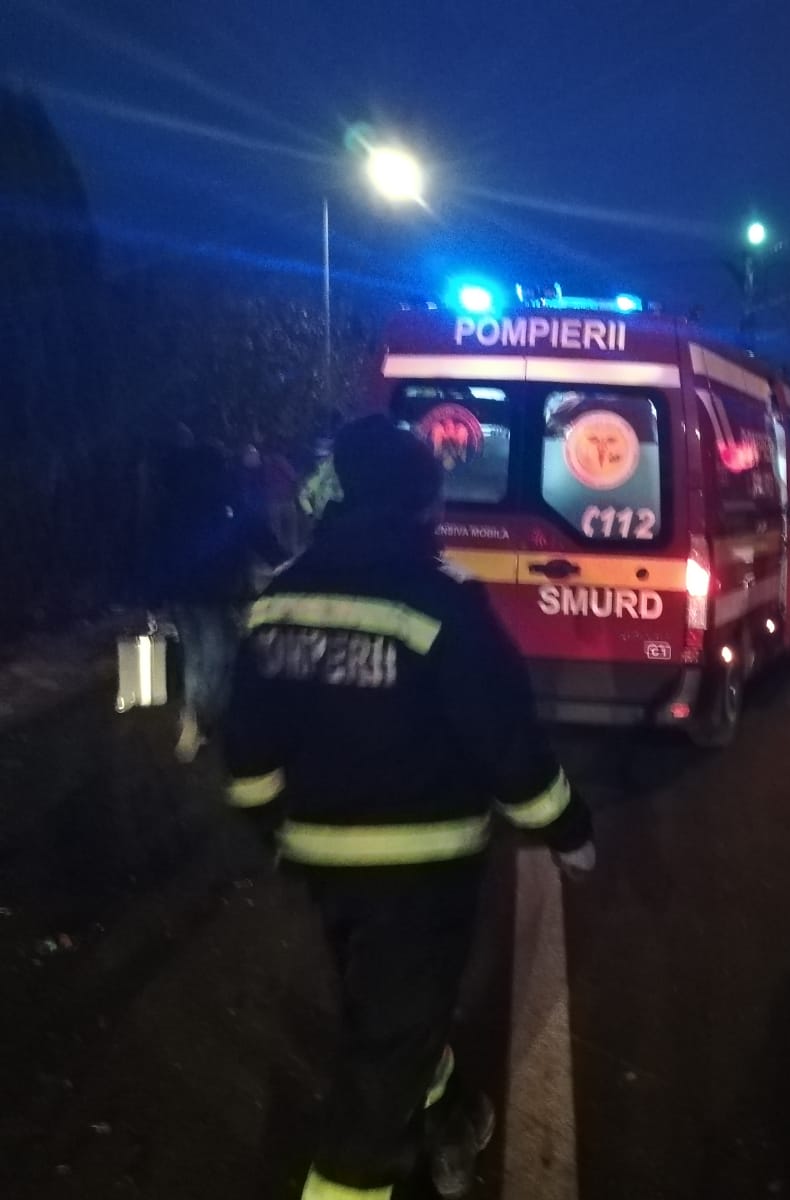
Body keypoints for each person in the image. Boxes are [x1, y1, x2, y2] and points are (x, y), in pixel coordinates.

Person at [222, 415, 596, 1200]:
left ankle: (448, 1112)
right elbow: (503, 738)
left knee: (388, 1011)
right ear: (422, 501)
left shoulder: (279, 596)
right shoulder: (439, 597)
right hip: (422, 869)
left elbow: (247, 739)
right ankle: (351, 1178)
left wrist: (270, 825)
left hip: (323, 864)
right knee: (383, 1057)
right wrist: (566, 830)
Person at [148, 427, 287, 762]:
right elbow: (253, 530)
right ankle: (199, 718)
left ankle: (196, 717)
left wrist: (154, 597)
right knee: (218, 657)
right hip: (214, 591)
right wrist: (283, 561)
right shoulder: (224, 498)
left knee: (196, 656)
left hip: (182, 594)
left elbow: (156, 548)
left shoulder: (172, 500)